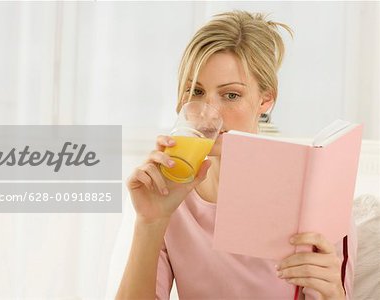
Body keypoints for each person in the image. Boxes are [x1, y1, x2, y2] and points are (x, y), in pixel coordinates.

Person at [116, 10, 356, 300]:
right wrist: (149, 221)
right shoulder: (171, 197)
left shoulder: (313, 203)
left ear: (265, 99)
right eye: (197, 91)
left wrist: (333, 295)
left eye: (231, 95)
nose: (209, 112)